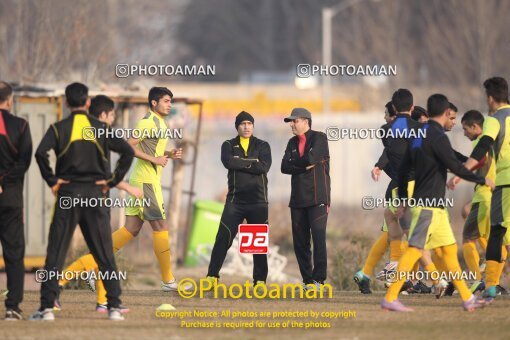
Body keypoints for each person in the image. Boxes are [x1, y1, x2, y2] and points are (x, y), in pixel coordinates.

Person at [57, 87, 184, 299]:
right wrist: (154, 160)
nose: (169, 105)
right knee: (161, 227)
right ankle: (168, 280)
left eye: (171, 101)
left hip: (144, 181)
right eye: (166, 101)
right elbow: (127, 146)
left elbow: (150, 150)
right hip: (146, 183)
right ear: (154, 103)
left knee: (131, 229)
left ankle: (75, 272)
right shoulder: (147, 122)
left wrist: (167, 153)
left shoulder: (161, 123)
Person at [381, 93, 494, 312]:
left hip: (435, 206)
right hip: (427, 206)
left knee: (449, 251)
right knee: (415, 250)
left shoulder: (418, 133)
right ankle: (391, 296)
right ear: (444, 113)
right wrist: (482, 179)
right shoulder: (437, 135)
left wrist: (403, 198)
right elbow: (455, 164)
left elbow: (404, 168)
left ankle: (467, 298)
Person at [31, 82, 134, 321]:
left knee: (55, 252)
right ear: (87, 102)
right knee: (105, 253)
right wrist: (112, 180)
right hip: (96, 196)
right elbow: (127, 152)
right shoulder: (100, 128)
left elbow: (40, 153)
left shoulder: (59, 128)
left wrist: (52, 180)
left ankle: (46, 308)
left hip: (68, 194)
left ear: (67, 103)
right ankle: (115, 307)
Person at [57, 95, 142, 313]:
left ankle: (102, 302)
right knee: (102, 254)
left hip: (80, 200)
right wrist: (128, 187)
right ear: (104, 115)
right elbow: (104, 176)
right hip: (92, 204)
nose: (114, 118)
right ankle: (59, 283)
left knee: (103, 254)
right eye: (112, 114)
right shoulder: (98, 137)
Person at [452, 77, 510, 302]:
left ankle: (492, 285)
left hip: (504, 182)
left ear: (490, 98)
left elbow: (484, 146)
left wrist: (462, 170)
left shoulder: (494, 120)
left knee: (497, 232)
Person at [205, 111, 271, 289]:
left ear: (253, 126)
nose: (246, 126)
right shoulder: (228, 144)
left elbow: (264, 167)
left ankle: (259, 281)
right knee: (222, 238)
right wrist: (252, 163)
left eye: (250, 123)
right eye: (243, 124)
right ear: (237, 126)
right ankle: (212, 276)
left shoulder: (263, 145)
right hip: (235, 201)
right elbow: (229, 162)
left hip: (258, 201)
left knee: (257, 243)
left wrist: (240, 162)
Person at [281, 108, 330, 290]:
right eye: (290, 122)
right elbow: (284, 166)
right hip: (298, 200)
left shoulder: (319, 138)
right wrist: (303, 166)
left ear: (306, 121)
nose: (292, 124)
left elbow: (311, 158)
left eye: (295, 121)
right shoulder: (291, 142)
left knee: (318, 238)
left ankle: (318, 280)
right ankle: (308, 281)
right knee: (300, 242)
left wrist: (297, 163)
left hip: (318, 198)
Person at [0, 81, 32, 320]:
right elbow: (24, 162)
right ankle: (12, 307)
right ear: (9, 100)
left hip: (9, 195)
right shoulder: (21, 126)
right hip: (10, 199)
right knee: (14, 254)